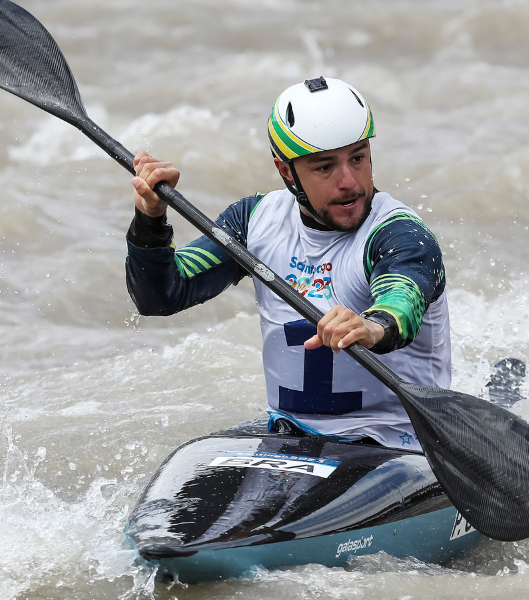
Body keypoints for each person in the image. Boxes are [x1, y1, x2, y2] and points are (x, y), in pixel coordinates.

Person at [125, 76, 449, 451]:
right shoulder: (254, 221)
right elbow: (161, 295)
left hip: (395, 444)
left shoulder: (400, 235)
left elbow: (401, 300)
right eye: (325, 167)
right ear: (286, 171)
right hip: (290, 437)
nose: (349, 181)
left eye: (358, 158)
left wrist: (371, 326)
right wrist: (150, 219)